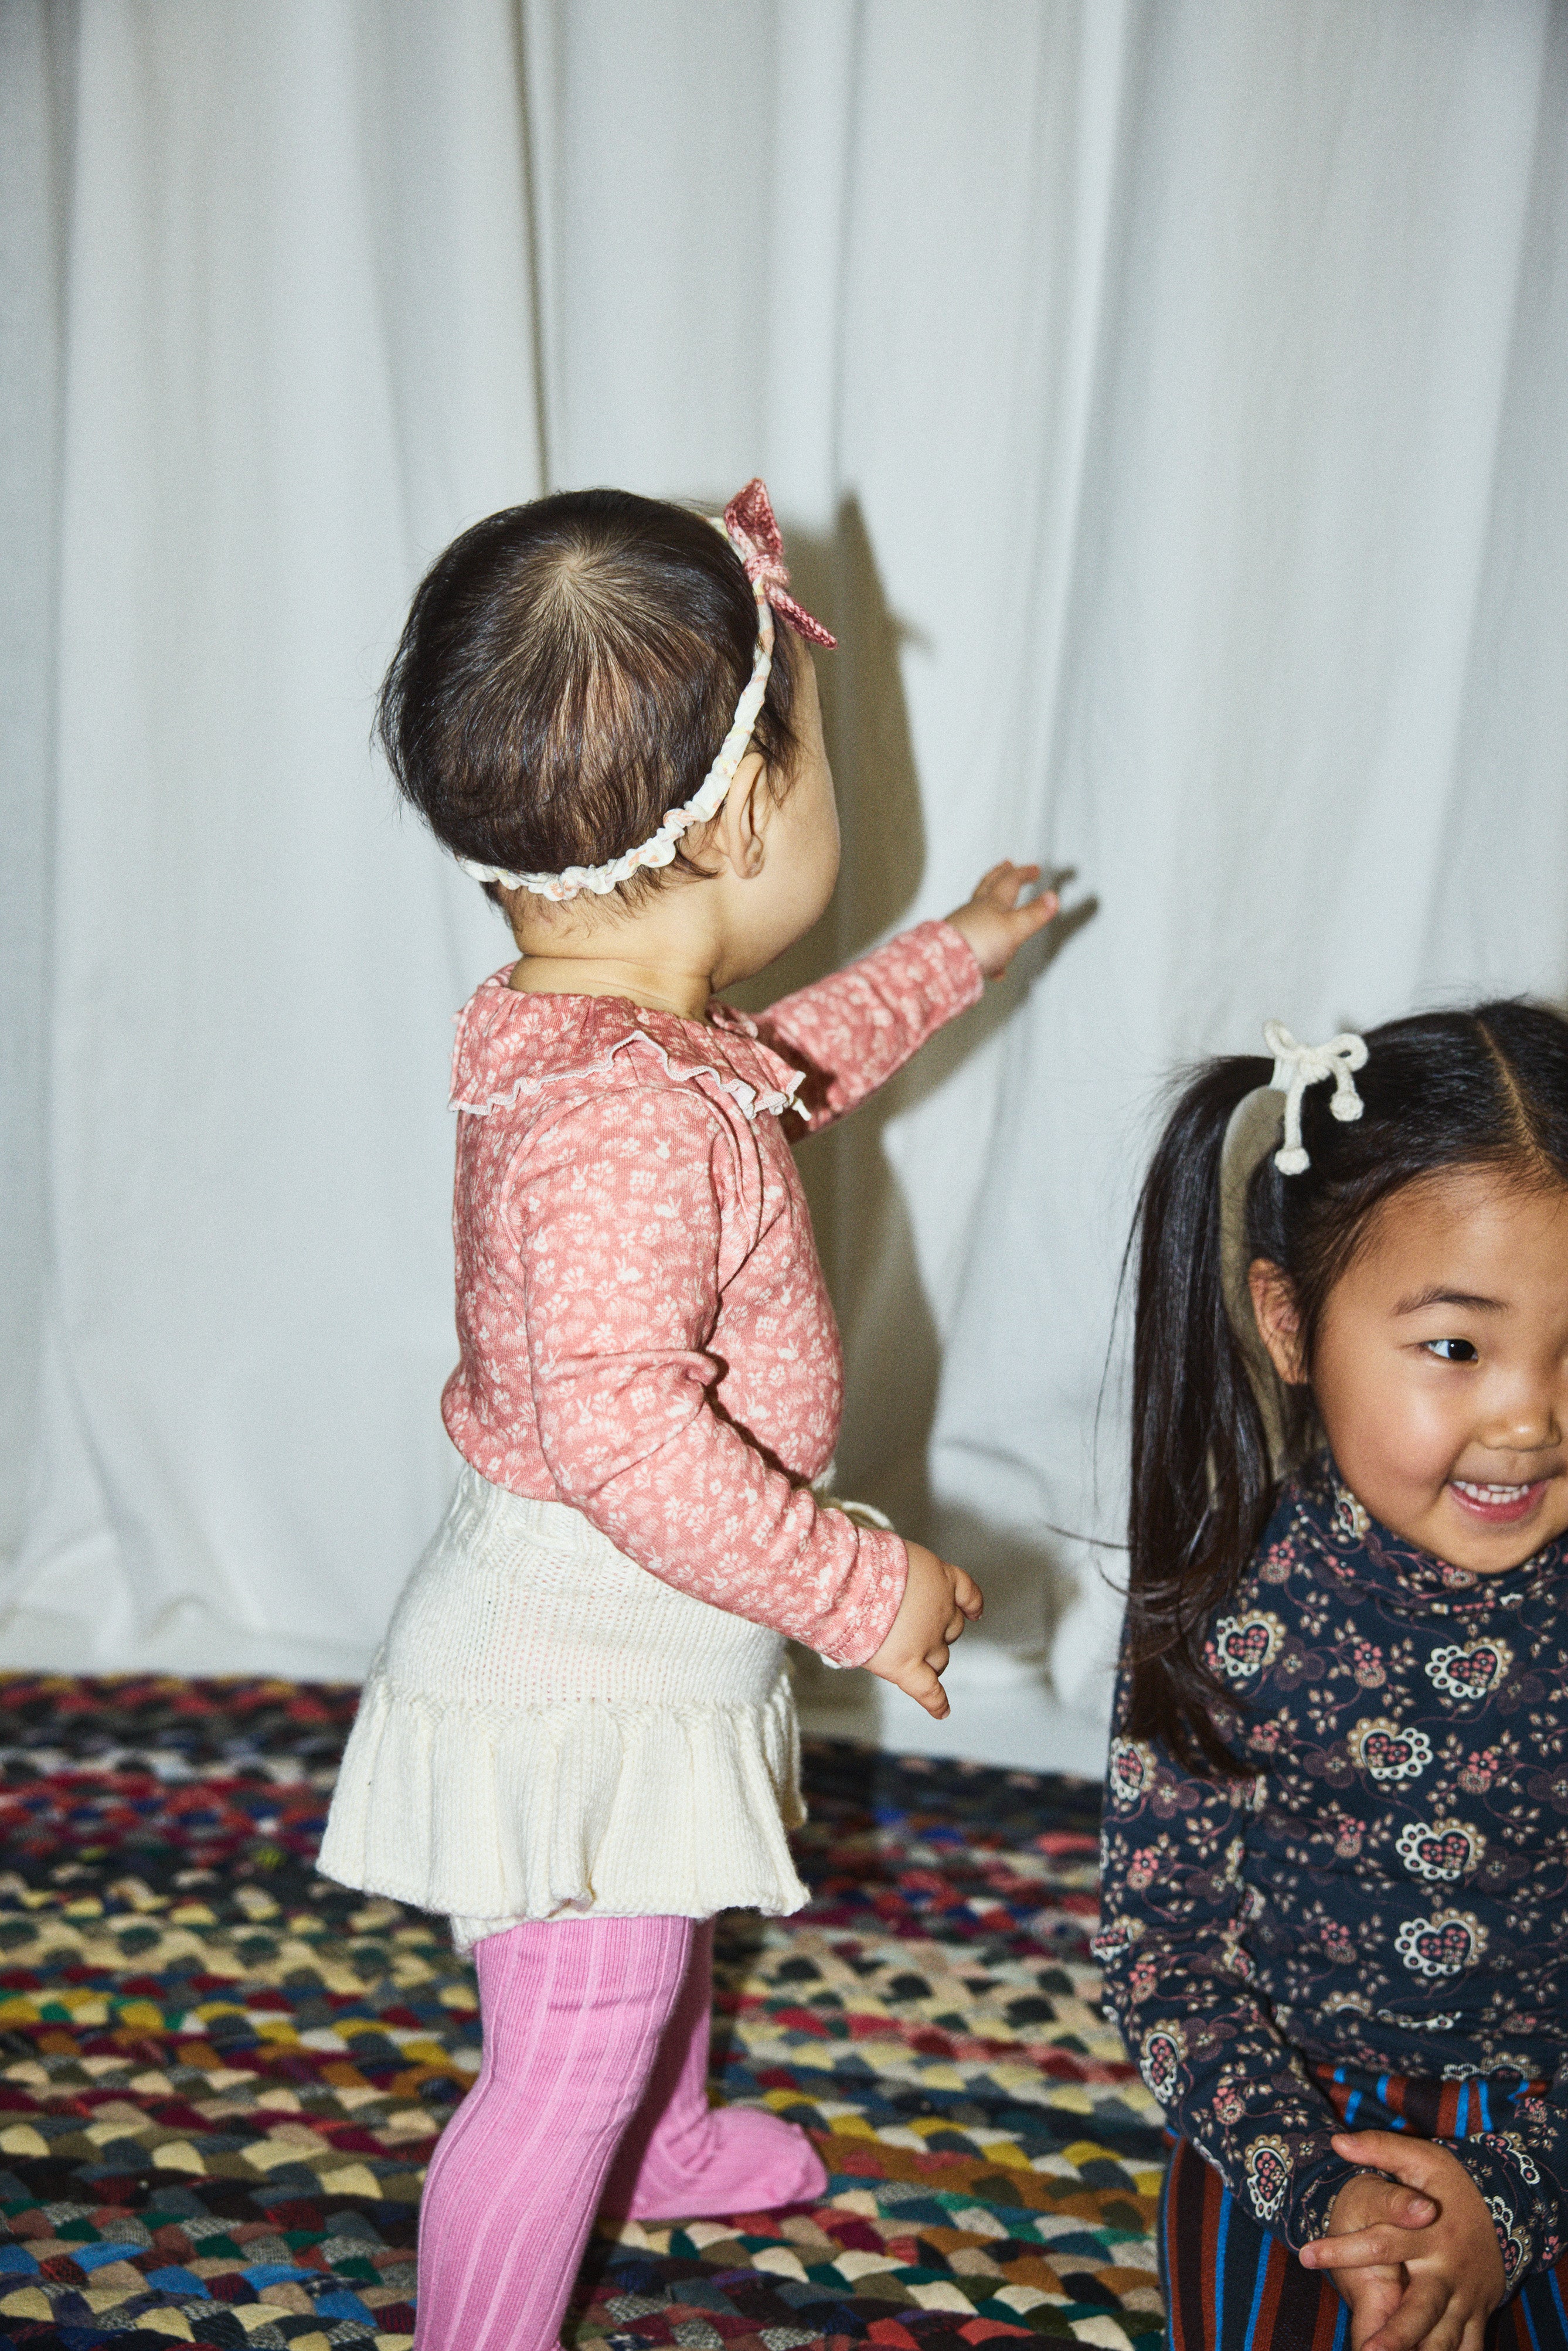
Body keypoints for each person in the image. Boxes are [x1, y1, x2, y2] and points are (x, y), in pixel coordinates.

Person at [317, 479, 1056, 2351]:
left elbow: (795, 1060)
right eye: (814, 761)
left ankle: (665, 2138)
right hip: (579, 1662)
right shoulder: (622, 1118)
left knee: (666, 1909)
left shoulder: (615, 1036)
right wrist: (858, 1589)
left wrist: (955, 952)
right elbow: (636, 1445)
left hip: (635, 1631)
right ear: (737, 821)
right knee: (567, 2042)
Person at [1094, 1008, 1568, 2351]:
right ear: (1289, 1322)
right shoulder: (1231, 1606)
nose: (1529, 1415)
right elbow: (1161, 1948)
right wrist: (1321, 2186)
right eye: (1457, 1346)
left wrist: (1515, 2197)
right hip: (1297, 2112)